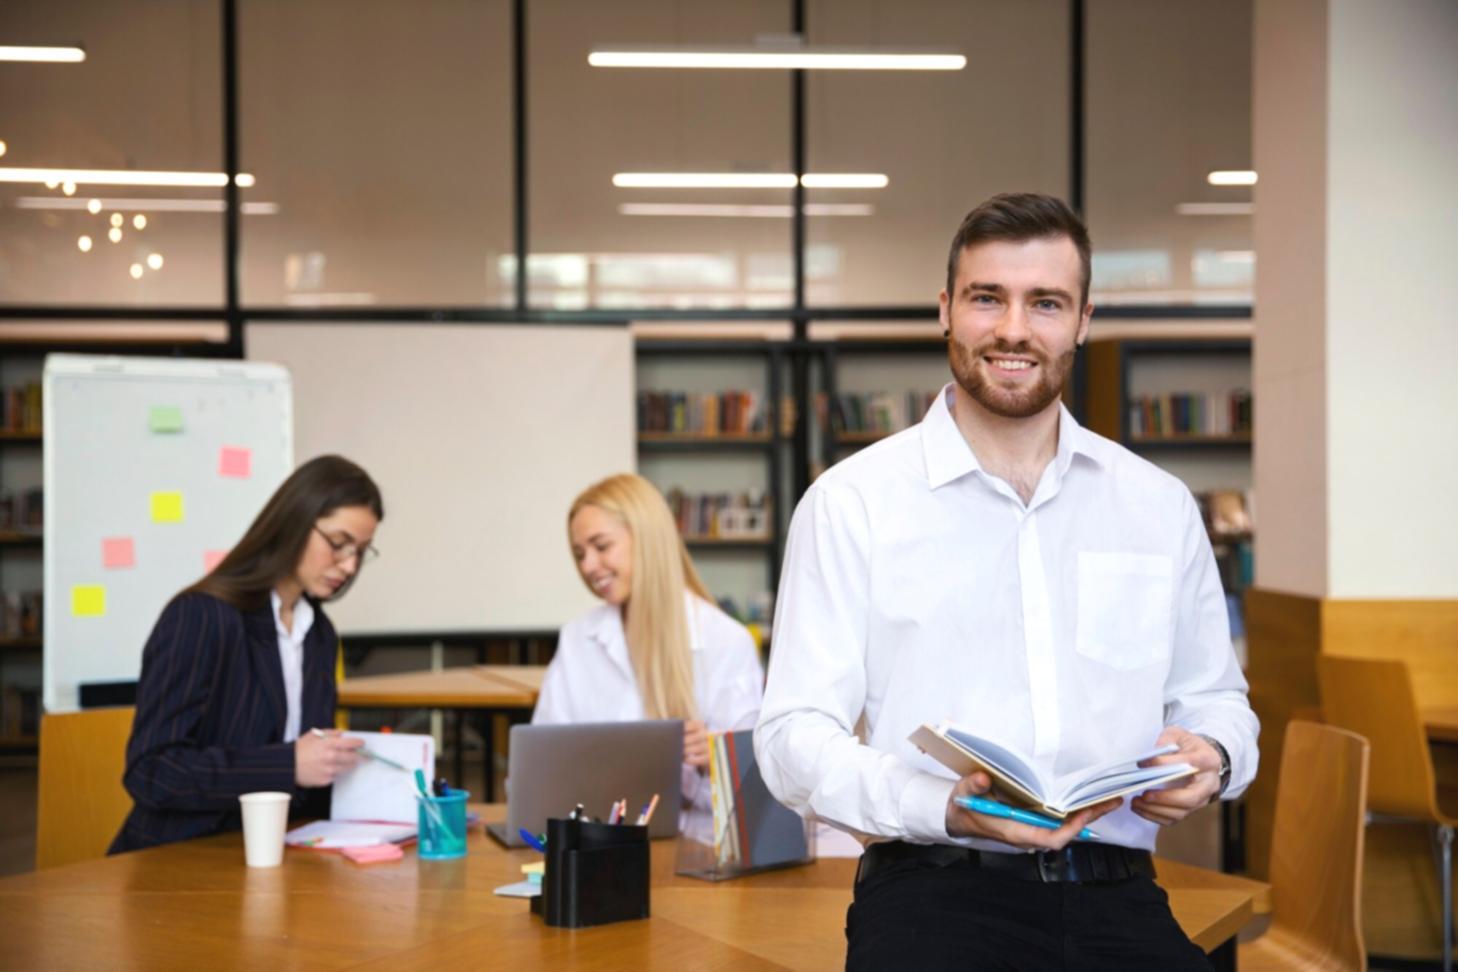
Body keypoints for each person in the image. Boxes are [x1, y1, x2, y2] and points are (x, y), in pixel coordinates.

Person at [754, 193, 1258, 970]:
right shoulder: (851, 503)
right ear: (946, 310)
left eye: (1045, 303)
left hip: (1116, 890)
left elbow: (1218, 698)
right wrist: (942, 806)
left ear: (1083, 319)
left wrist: (1214, 757)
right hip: (930, 892)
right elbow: (791, 739)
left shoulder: (1154, 504)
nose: (1015, 329)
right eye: (988, 298)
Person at [110, 455, 383, 854]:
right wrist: (289, 765)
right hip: (182, 858)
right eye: (339, 544)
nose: (349, 565)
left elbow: (307, 775)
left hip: (274, 854)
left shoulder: (318, 633)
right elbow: (153, 773)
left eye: (362, 551)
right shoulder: (201, 616)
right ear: (293, 522)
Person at [533, 473, 764, 806]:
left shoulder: (727, 641)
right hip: (598, 835)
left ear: (647, 538)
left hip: (693, 844)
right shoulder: (577, 637)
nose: (588, 566)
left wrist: (713, 760)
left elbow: (753, 796)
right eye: (580, 554)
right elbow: (543, 758)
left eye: (601, 546)